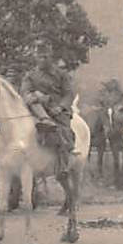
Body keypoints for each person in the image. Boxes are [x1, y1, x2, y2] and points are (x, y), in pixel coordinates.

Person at [19, 37, 76, 179]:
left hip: (57, 110)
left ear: (50, 57)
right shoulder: (30, 75)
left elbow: (69, 93)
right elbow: (24, 91)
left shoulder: (61, 75)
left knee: (63, 132)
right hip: (37, 111)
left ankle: (63, 165)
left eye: (45, 57)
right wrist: (33, 97)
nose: (42, 60)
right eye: (39, 57)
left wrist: (61, 107)